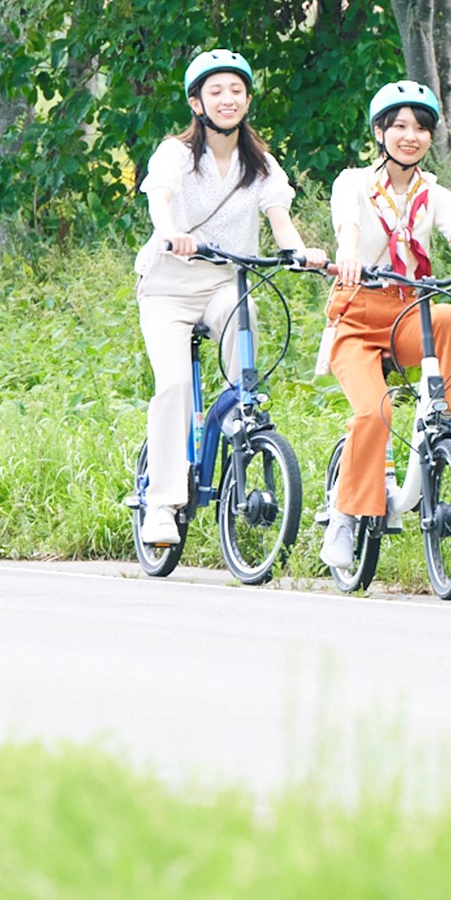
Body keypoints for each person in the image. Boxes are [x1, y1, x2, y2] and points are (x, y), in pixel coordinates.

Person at [319, 80, 451, 575]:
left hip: (411, 311)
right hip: (359, 314)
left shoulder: (435, 194)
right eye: (400, 126)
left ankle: (439, 416)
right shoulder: (353, 183)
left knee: (448, 314)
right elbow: (350, 226)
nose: (411, 136)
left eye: (421, 128)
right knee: (373, 412)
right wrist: (347, 254)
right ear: (380, 131)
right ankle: (343, 519)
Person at [135, 49, 323, 548]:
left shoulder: (258, 164)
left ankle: (240, 418)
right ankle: (162, 502)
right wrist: (171, 232)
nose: (227, 99)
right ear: (196, 102)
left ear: (247, 99)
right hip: (169, 286)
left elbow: (280, 220)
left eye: (236, 90)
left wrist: (299, 253)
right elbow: (161, 198)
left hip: (225, 283)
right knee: (174, 386)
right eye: (215, 91)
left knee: (244, 364)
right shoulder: (176, 153)